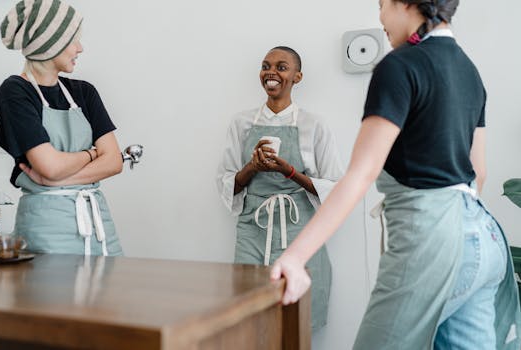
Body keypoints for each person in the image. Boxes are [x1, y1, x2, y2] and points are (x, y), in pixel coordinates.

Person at [270, 0, 521, 348]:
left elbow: (360, 174)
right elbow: (478, 173)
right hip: (485, 242)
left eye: (383, 4)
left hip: (431, 240)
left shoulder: (399, 65)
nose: (380, 16)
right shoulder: (469, 71)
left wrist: (295, 258)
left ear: (406, 3)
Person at [217, 46, 343, 330]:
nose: (271, 72)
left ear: (297, 77)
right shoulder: (242, 123)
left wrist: (289, 172)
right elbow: (226, 181)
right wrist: (252, 167)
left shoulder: (314, 124)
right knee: (247, 313)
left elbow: (335, 188)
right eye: (265, 66)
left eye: (281, 67)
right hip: (253, 229)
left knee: (297, 320)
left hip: (300, 231)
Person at [0, 0, 124, 256]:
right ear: (49, 44)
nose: (80, 48)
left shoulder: (84, 92)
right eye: (73, 40)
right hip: (46, 228)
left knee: (110, 294)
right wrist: (91, 153)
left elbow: (114, 162)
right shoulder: (15, 92)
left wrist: (53, 181)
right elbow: (49, 166)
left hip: (99, 226)